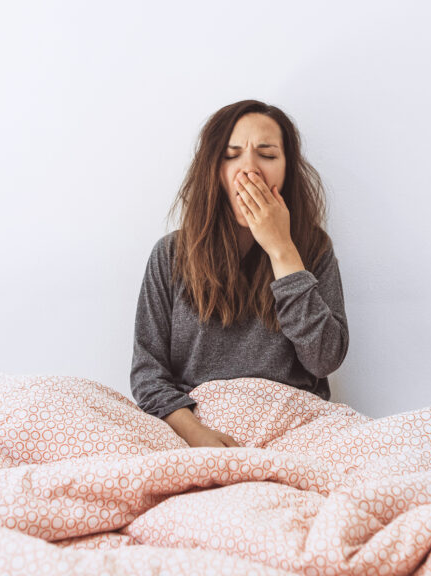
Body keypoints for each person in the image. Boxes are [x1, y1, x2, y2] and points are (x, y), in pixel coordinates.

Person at [129, 99, 349, 448]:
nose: (249, 170)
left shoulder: (313, 249)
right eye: (231, 155)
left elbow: (324, 359)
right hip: (197, 427)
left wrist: (282, 250)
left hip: (295, 429)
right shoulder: (170, 255)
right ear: (213, 171)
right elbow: (148, 374)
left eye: (268, 154)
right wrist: (198, 435)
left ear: (288, 169)